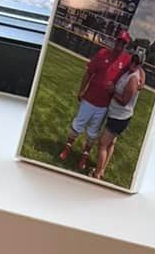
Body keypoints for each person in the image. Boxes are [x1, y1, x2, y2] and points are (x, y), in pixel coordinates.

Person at [58, 27, 135, 172]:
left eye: (123, 43)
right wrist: (81, 90)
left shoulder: (127, 60)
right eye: (119, 41)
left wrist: (141, 82)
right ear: (115, 41)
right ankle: (67, 149)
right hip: (89, 98)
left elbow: (139, 69)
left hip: (104, 104)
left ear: (126, 45)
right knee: (78, 125)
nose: (120, 45)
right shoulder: (102, 53)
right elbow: (88, 73)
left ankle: (84, 157)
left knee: (93, 132)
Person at [93, 51, 146, 180]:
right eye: (133, 60)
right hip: (117, 114)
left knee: (102, 144)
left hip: (119, 117)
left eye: (136, 62)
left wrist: (112, 92)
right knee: (111, 144)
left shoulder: (133, 78)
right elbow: (143, 74)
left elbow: (124, 101)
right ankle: (102, 169)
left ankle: (96, 175)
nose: (133, 63)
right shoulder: (135, 72)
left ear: (140, 64)